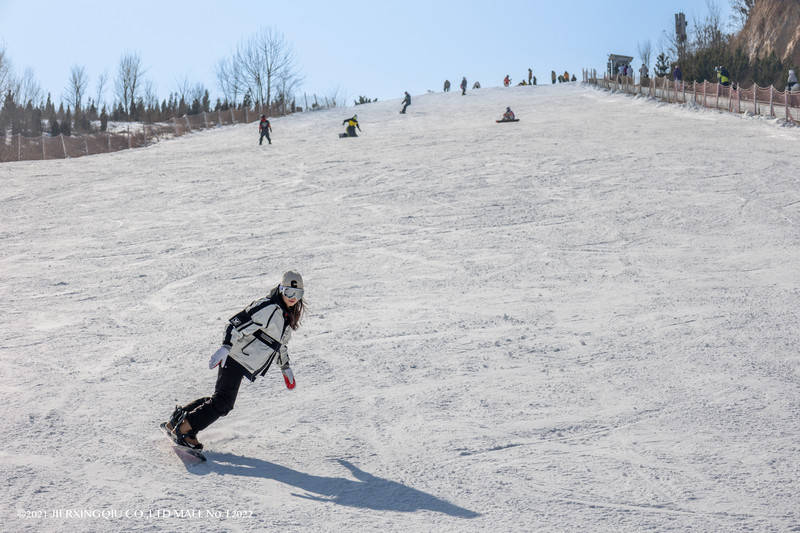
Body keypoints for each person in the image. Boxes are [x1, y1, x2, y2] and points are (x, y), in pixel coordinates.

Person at [162, 271, 307, 451]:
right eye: (289, 292)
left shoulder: (285, 315)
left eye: (297, 294)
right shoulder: (268, 307)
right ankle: (185, 430)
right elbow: (235, 323)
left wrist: (285, 367)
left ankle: (177, 422)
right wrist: (226, 347)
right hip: (234, 356)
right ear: (280, 289)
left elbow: (279, 345)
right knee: (223, 402)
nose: (293, 298)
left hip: (242, 360)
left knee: (220, 399)